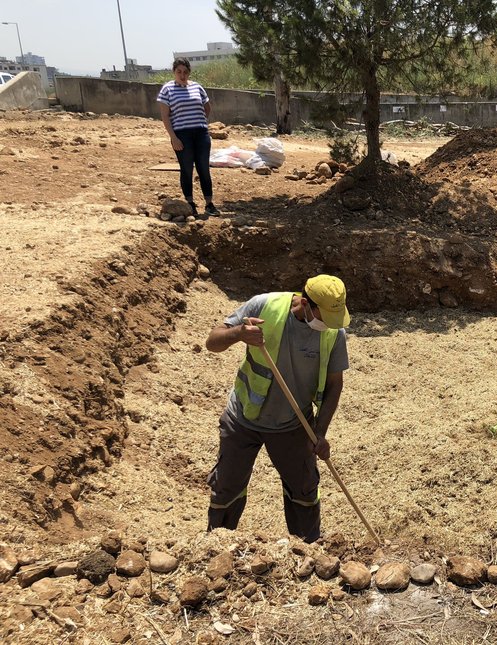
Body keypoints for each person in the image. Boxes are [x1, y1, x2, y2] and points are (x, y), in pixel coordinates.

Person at [204, 275, 350, 541]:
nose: (329, 324)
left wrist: (319, 432)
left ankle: (307, 550)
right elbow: (212, 342)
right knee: (226, 486)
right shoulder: (264, 305)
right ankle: (216, 548)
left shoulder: (333, 333)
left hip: (294, 425)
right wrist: (238, 334)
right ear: (305, 303)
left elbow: (334, 386)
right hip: (243, 419)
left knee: (304, 490)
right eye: (325, 316)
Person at [157, 58, 219, 217]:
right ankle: (190, 203)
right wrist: (174, 137)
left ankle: (209, 204)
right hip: (181, 135)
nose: (182, 75)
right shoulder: (167, 89)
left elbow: (207, 107)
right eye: (179, 72)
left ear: (189, 72)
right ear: (174, 72)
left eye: (185, 72)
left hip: (201, 133)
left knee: (204, 168)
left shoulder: (197, 87)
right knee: (186, 169)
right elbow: (165, 116)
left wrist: (200, 121)